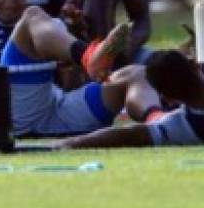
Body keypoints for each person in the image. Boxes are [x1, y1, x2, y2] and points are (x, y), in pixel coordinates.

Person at [0, 6, 157, 137]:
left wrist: (78, 34)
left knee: (137, 73)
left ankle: (161, 122)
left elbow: (71, 83)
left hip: (59, 109)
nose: (10, 3)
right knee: (31, 15)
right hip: (19, 114)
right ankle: (88, 56)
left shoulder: (51, 26)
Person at [59, 49, 201, 149]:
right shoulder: (178, 126)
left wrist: (68, 144)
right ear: (194, 64)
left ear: (167, 98)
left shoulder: (178, 128)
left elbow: (127, 135)